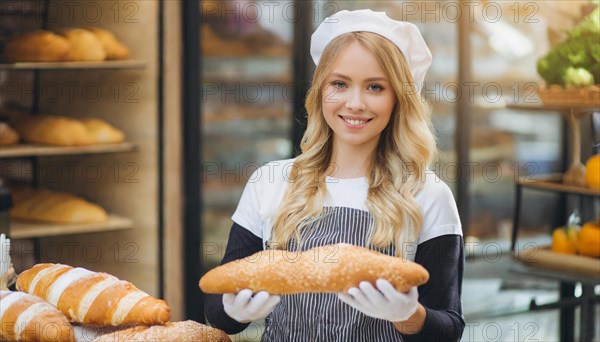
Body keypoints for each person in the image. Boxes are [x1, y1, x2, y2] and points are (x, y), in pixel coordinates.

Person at [205, 9, 465, 341]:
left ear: (399, 98)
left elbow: (450, 328)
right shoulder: (270, 182)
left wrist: (408, 316)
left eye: (375, 87)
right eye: (340, 84)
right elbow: (216, 309)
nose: (355, 103)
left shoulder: (429, 195)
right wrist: (233, 311)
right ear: (321, 90)